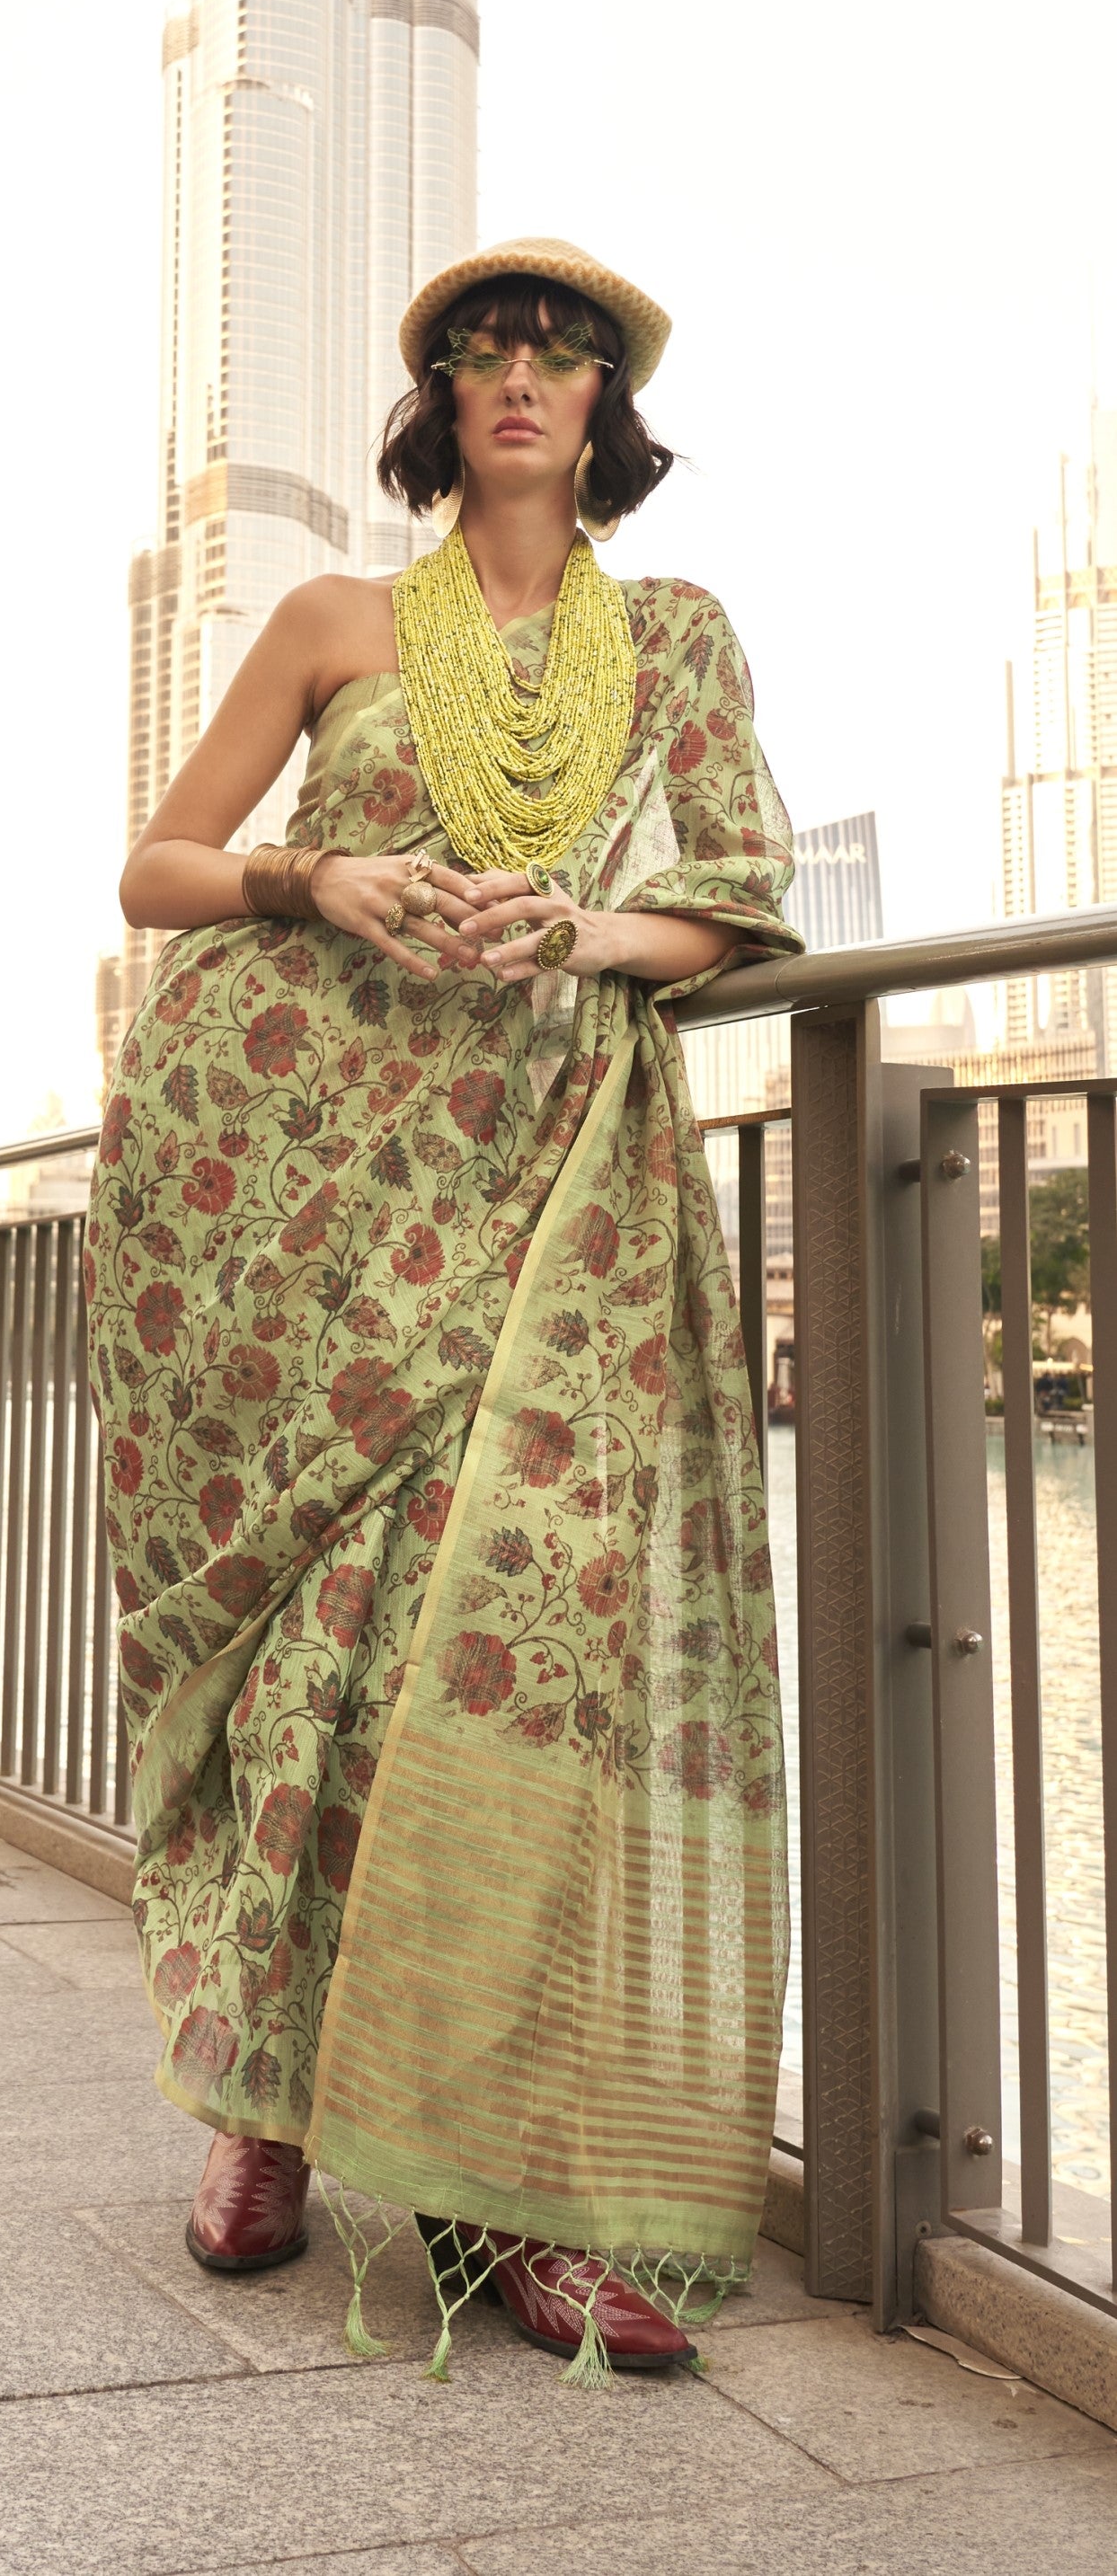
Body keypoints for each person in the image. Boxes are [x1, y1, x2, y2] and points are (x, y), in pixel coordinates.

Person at [88, 238, 803, 2383]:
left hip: (549, 1190)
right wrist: (328, 877)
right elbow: (157, 863)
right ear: (437, 397)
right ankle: (265, 2111)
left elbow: (738, 894)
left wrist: (576, 922)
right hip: (311, 1193)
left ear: (600, 410)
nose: (519, 376)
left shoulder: (668, 636)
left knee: (518, 1667)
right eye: (484, 349)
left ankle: (501, 2185)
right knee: (330, 1649)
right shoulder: (329, 621)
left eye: (559, 353)